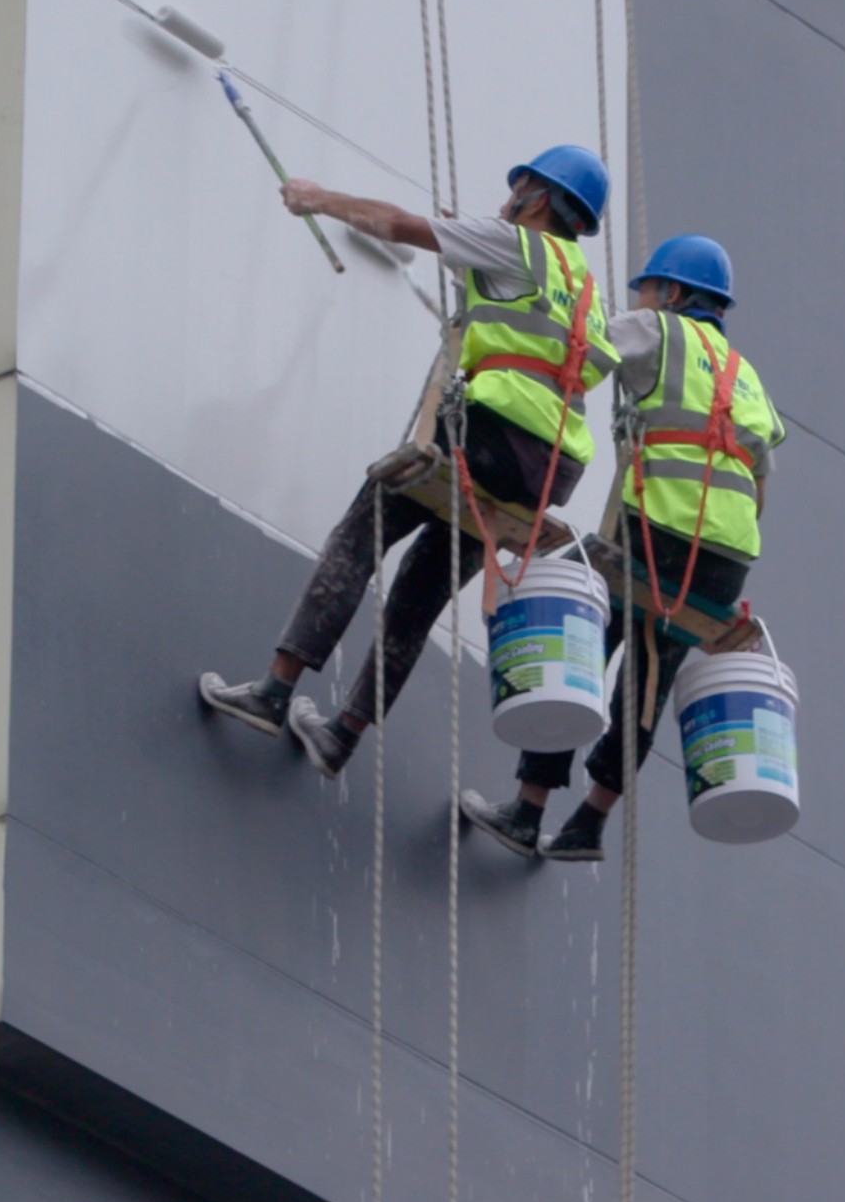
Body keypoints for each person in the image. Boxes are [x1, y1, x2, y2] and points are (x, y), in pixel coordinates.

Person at [199, 147, 619, 775]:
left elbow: (397, 225)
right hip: (545, 473)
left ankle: (274, 691)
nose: (509, 198)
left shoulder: (516, 243)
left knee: (361, 533)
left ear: (537, 198)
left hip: (489, 435)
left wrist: (319, 199)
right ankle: (342, 735)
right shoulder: (582, 288)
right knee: (421, 594)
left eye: (520, 188)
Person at [460, 234, 782, 862]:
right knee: (648, 682)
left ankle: (528, 808)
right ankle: (589, 823)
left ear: (673, 293)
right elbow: (761, 489)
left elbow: (579, 343)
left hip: (660, 538)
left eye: (647, 289)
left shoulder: (657, 329)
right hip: (726, 566)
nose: (639, 299)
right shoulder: (748, 378)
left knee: (579, 646)